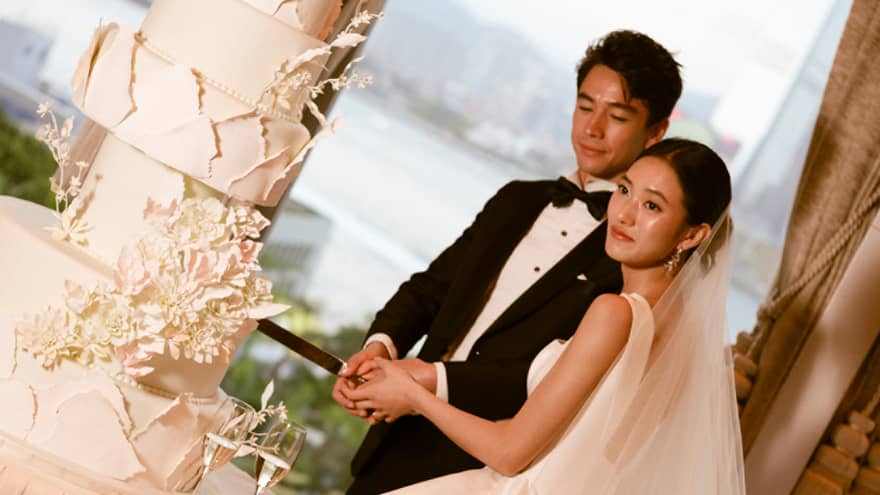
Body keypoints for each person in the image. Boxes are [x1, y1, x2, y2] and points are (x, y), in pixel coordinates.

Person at [333, 30, 683, 495]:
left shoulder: (632, 256)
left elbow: (551, 379)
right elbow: (431, 289)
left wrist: (423, 382)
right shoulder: (516, 198)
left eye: (616, 116)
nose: (591, 128)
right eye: (584, 107)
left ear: (655, 131)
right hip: (392, 443)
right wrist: (381, 347)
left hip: (489, 469)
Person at [350, 138, 745, 494]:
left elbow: (509, 454)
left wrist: (414, 396)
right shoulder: (687, 336)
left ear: (693, 234)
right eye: (624, 190)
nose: (624, 214)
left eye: (652, 205)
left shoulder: (615, 312)